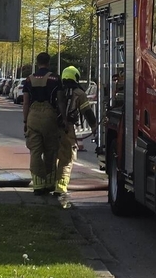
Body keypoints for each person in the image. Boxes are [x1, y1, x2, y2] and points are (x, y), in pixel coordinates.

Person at [54, 66, 99, 209]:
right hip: (67, 129)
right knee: (67, 158)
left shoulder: (56, 90)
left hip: (52, 127)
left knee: (52, 155)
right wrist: (94, 127)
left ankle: (48, 184)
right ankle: (60, 187)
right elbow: (87, 112)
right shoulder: (79, 93)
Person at [22, 52, 63, 197]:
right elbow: (60, 101)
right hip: (49, 117)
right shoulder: (55, 79)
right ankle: (49, 184)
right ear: (49, 62)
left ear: (37, 62)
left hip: (33, 116)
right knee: (51, 151)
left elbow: (25, 102)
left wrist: (25, 121)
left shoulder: (29, 79)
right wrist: (63, 118)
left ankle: (38, 185)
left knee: (35, 151)